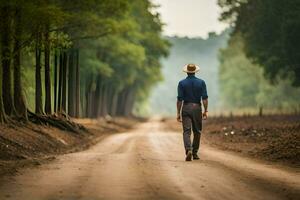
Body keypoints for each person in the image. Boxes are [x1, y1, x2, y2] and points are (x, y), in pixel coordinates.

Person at [176, 64, 208, 161]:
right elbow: (205, 98)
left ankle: (188, 149)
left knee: (186, 131)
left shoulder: (181, 83)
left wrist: (178, 113)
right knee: (197, 131)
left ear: (186, 71)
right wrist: (205, 111)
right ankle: (194, 153)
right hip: (197, 107)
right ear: (195, 71)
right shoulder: (201, 82)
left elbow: (180, 100)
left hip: (186, 107)